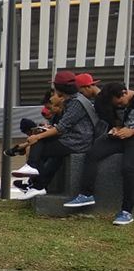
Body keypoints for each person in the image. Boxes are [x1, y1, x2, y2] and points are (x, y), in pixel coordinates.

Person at [12, 71, 97, 200]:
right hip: (74, 138)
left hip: (77, 141)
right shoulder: (74, 100)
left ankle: (32, 168)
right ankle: (38, 186)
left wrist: (38, 136)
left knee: (39, 140)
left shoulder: (76, 102)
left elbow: (62, 127)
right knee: (53, 156)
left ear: (60, 88)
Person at [63, 82, 134, 225]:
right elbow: (119, 120)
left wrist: (132, 130)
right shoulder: (113, 102)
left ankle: (126, 211)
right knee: (92, 153)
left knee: (128, 168)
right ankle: (86, 193)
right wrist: (117, 128)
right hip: (121, 136)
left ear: (125, 93)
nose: (119, 106)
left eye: (120, 102)